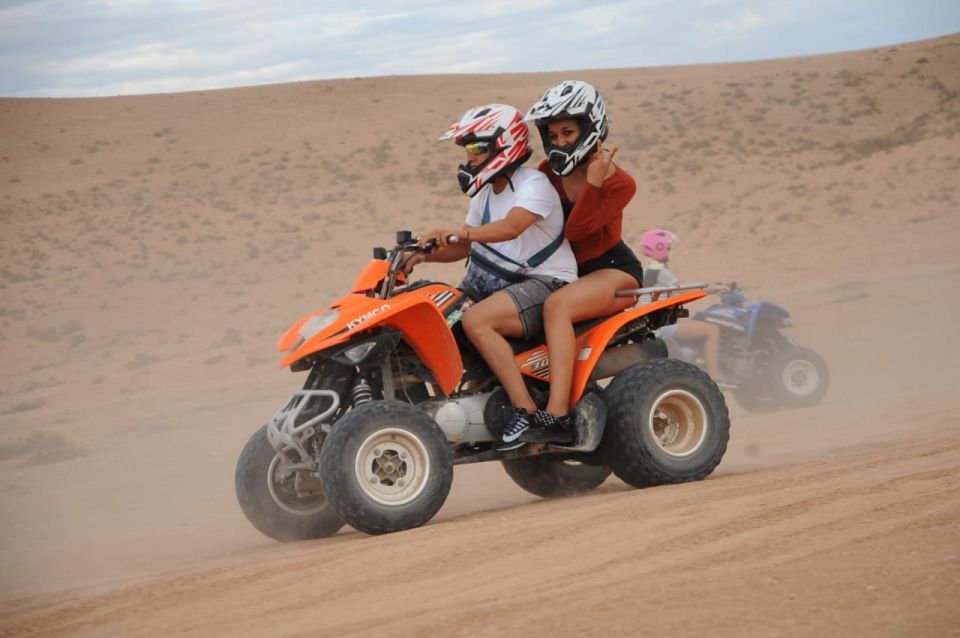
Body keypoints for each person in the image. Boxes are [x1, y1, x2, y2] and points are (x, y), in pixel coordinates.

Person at [404, 103, 578, 450]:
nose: (468, 158)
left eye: (475, 148)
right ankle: (451, 408)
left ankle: (525, 409)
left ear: (503, 145)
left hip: (543, 283)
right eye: (466, 149)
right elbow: (466, 247)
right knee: (428, 316)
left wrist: (461, 234)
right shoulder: (484, 193)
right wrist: (420, 256)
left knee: (476, 320)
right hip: (494, 284)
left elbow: (511, 228)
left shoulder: (535, 184)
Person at [506, 80, 644, 443]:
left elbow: (577, 232)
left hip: (611, 270)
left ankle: (557, 413)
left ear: (590, 127)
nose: (561, 142)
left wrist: (595, 184)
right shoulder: (548, 172)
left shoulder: (620, 184)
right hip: (561, 270)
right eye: (553, 135)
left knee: (556, 307)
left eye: (568, 132)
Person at [641, 228, 723, 381]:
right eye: (668, 248)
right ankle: (715, 374)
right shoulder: (661, 272)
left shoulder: (645, 271)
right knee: (713, 330)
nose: (670, 252)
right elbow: (683, 292)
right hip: (660, 328)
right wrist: (714, 289)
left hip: (649, 325)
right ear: (659, 248)